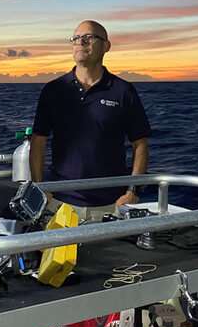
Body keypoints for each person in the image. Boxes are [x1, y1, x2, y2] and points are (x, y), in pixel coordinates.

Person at [30, 20, 151, 222]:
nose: (80, 42)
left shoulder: (123, 91)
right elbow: (38, 141)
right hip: (60, 203)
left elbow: (140, 143)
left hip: (110, 205)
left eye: (88, 37)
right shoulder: (53, 90)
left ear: (106, 46)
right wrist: (40, 188)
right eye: (76, 38)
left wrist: (133, 191)